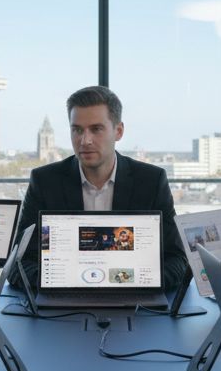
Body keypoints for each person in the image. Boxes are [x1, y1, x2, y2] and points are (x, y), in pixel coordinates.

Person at [16, 86, 189, 292]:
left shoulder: (151, 181)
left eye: (96, 129)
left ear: (118, 131)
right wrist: (59, 283)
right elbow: (18, 262)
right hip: (64, 298)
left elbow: (177, 259)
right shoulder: (45, 181)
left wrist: (136, 283)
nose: (85, 140)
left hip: (133, 297)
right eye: (77, 130)